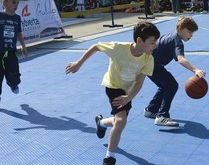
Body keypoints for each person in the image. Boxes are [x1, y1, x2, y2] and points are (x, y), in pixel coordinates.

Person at [65, 21, 160, 165]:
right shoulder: (118, 48)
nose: (156, 45)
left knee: (117, 122)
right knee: (121, 121)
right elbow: (96, 46)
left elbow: (139, 82)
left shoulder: (148, 59)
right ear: (139, 41)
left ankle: (101, 122)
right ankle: (110, 157)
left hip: (127, 91)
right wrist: (79, 63)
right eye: (153, 42)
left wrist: (128, 97)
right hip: (113, 86)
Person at [144, 17, 206, 126]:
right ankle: (162, 116)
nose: (191, 36)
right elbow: (181, 59)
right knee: (172, 85)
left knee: (165, 85)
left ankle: (151, 110)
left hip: (148, 64)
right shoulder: (177, 41)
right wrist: (195, 69)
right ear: (181, 29)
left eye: (192, 33)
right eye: (189, 32)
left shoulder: (170, 36)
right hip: (153, 66)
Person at [0, 0, 28, 102]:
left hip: (11, 52)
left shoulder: (17, 18)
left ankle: (13, 84)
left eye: (17, 3)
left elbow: (19, 33)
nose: (16, 5)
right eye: (13, 2)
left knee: (14, 75)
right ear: (5, 3)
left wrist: (24, 47)